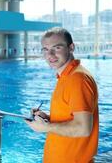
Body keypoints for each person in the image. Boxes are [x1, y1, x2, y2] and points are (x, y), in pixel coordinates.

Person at [25, 27, 99, 163]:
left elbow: (83, 128)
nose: (50, 55)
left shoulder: (78, 79)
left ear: (71, 48)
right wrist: (48, 118)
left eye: (56, 48)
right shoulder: (66, 76)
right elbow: (71, 117)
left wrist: (46, 127)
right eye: (45, 50)